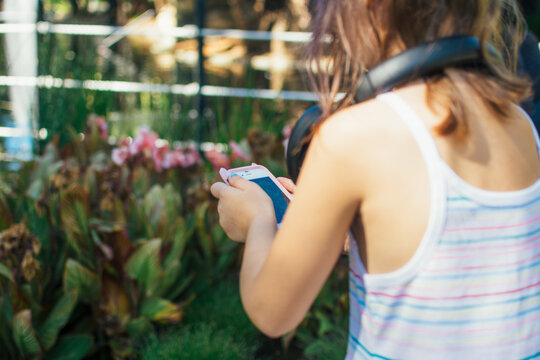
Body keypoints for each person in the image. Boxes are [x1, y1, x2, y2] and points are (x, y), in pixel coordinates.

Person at [210, 0, 540, 358]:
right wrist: (354, 235)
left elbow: (272, 312)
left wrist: (258, 220)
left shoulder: (355, 137)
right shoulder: (519, 125)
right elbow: (468, 246)